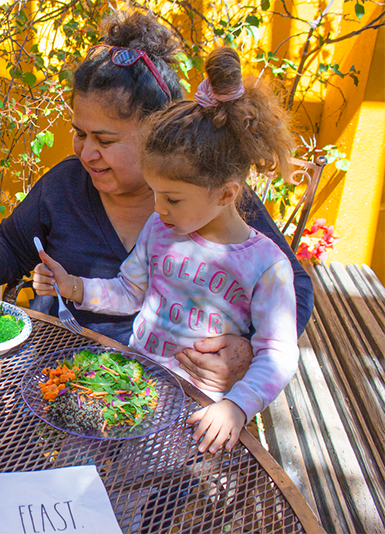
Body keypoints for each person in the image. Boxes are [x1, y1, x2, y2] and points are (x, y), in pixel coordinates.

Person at [0, 10, 314, 392]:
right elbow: (10, 243)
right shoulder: (65, 186)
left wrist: (245, 351)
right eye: (79, 133)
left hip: (175, 395)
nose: (85, 153)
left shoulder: (211, 197)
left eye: (105, 140)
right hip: (68, 380)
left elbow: (292, 285)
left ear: (156, 133)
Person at [34, 46, 299, 454]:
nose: (157, 209)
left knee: (138, 502)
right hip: (130, 385)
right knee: (79, 465)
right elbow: (129, 291)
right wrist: (75, 287)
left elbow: (278, 354)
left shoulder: (266, 266)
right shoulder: (161, 228)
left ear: (226, 193)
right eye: (155, 194)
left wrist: (236, 406)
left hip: (191, 411)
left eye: (172, 199)